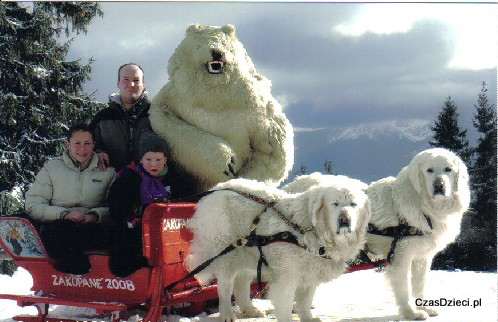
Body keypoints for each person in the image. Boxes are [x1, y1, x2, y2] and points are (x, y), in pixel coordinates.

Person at [25, 124, 115, 275]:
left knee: (91, 232)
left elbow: (115, 208)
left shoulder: (107, 172)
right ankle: (70, 278)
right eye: (77, 143)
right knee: (63, 229)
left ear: (94, 145)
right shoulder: (52, 168)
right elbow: (33, 205)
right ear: (67, 144)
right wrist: (64, 214)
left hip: (91, 229)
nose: (82, 149)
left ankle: (88, 280)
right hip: (59, 230)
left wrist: (95, 216)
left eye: (87, 144)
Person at [107, 131, 172, 277]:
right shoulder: (128, 179)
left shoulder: (175, 180)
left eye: (158, 159)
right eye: (148, 159)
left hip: (166, 233)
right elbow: (116, 206)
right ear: (141, 159)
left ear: (165, 159)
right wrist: (131, 220)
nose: (153, 164)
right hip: (134, 232)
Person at [89, 63, 151, 172]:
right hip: (113, 182)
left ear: (143, 84)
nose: (131, 84)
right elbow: (87, 145)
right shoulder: (102, 117)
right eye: (125, 79)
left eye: (136, 80)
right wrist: (96, 154)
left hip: (151, 183)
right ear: (118, 83)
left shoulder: (155, 114)